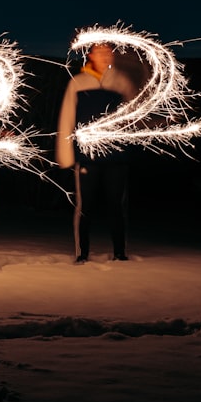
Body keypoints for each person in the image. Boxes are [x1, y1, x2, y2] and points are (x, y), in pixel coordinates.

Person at [57, 42, 139, 263]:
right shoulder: (78, 82)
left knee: (116, 205)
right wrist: (66, 155)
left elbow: (133, 117)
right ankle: (81, 252)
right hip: (87, 157)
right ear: (90, 55)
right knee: (86, 205)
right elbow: (67, 119)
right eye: (100, 52)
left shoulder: (122, 82)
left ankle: (120, 251)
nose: (105, 56)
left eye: (108, 52)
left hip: (116, 156)